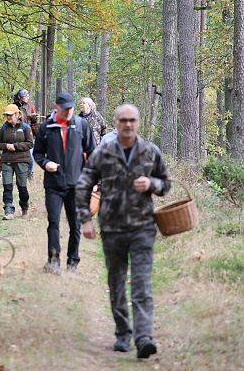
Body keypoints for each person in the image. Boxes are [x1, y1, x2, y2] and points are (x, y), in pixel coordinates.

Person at [75, 104, 170, 359]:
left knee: (141, 283)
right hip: (112, 228)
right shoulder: (103, 153)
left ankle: (144, 337)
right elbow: (83, 185)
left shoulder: (150, 151)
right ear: (115, 123)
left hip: (142, 228)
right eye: (123, 120)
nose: (128, 124)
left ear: (138, 123)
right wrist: (85, 219)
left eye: (132, 120)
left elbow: (166, 183)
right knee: (116, 281)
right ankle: (122, 334)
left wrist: (152, 183)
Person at [33, 92, 96, 274]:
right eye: (65, 109)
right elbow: (37, 154)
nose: (69, 112)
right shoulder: (46, 127)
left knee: (75, 225)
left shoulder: (81, 125)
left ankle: (73, 262)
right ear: (57, 107)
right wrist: (46, 164)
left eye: (71, 108)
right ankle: (53, 261)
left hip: (76, 185)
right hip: (53, 185)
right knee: (53, 222)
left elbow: (92, 152)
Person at [0, 104, 34, 220]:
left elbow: (30, 144)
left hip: (22, 160)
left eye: (10, 115)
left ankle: (24, 207)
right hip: (7, 160)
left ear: (17, 115)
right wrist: (6, 146)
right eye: (7, 115)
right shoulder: (4, 127)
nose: (8, 117)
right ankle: (8, 210)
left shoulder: (25, 127)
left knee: (22, 186)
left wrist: (16, 146)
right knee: (7, 186)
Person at [13, 89, 39, 179]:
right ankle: (19, 176)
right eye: (25, 96)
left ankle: (29, 175)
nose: (28, 97)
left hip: (29, 135)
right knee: (18, 157)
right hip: (17, 134)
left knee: (30, 157)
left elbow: (34, 123)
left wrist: (34, 118)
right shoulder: (14, 106)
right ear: (20, 97)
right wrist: (26, 117)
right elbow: (13, 121)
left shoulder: (30, 107)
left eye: (28, 96)